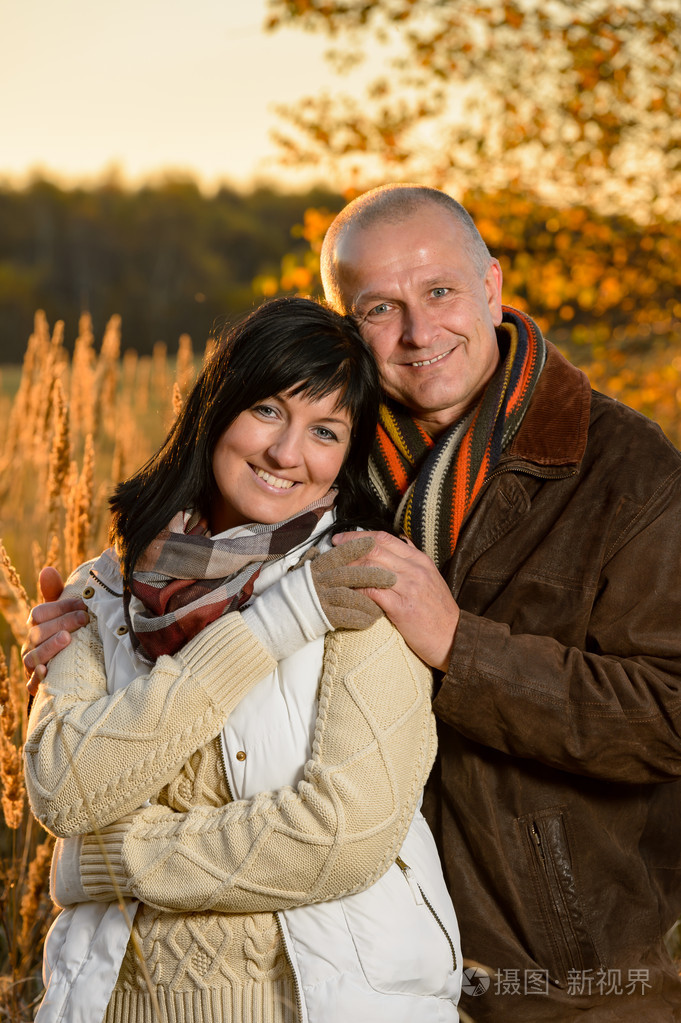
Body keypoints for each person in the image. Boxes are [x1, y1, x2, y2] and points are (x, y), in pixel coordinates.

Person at [24, 184, 681, 1021]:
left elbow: (667, 713)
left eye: (439, 291)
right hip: (348, 955)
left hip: (553, 970)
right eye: (379, 307)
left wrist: (460, 647)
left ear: (490, 285)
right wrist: (106, 612)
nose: (416, 331)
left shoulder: (628, 473)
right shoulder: (324, 458)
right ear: (346, 323)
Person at [23, 296, 462, 1023]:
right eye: (266, 410)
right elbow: (61, 789)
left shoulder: (358, 584)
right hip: (110, 1004)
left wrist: (115, 859)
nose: (286, 452)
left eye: (323, 431)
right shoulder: (104, 586)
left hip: (315, 1006)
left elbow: (342, 836)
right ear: (216, 408)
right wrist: (268, 628)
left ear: (343, 461)